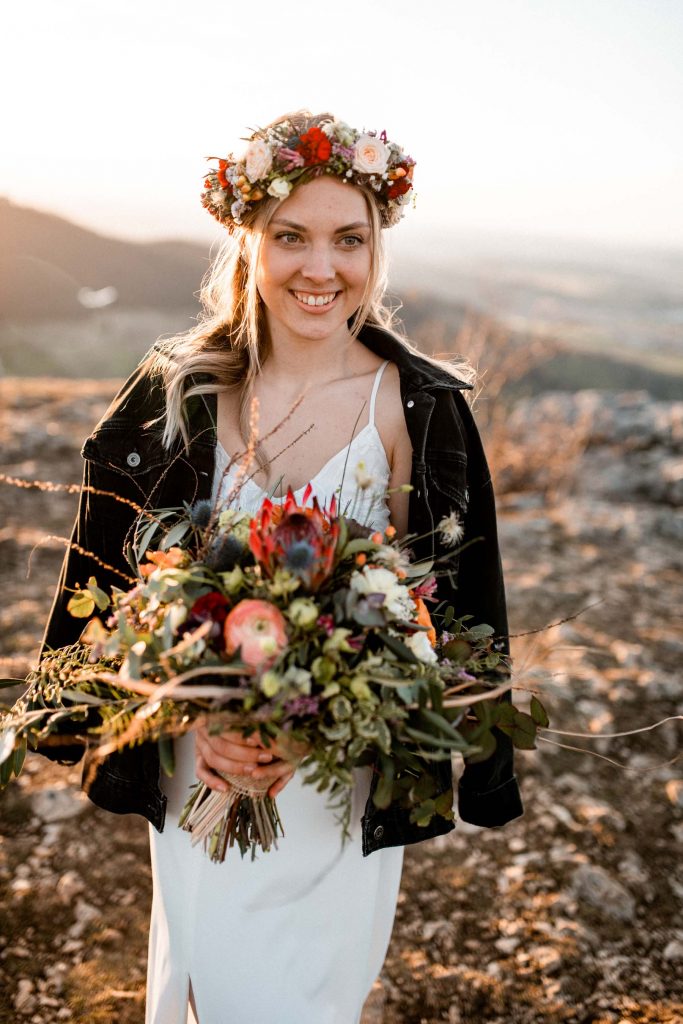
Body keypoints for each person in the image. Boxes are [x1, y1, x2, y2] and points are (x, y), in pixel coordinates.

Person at [39, 110, 524, 1024]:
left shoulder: (415, 406)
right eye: (290, 236)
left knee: (304, 996)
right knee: (203, 984)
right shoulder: (176, 388)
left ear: (377, 249)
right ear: (247, 241)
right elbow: (111, 578)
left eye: (350, 239)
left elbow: (456, 608)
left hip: (342, 772)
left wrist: (346, 730)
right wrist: (184, 716)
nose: (321, 267)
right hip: (202, 763)